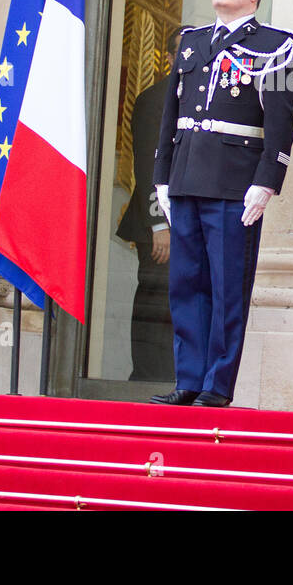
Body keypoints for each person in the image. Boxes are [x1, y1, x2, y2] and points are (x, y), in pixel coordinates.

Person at [150, 0, 293, 407]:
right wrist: (161, 175)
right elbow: (171, 114)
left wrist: (267, 180)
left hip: (236, 184)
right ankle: (188, 380)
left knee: (227, 287)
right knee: (186, 285)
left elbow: (281, 120)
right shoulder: (192, 41)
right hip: (188, 175)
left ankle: (216, 386)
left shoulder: (277, 45)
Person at [116, 27, 187, 382]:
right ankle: (144, 378)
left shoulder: (197, 98)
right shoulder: (155, 98)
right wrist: (160, 224)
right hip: (157, 227)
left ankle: (170, 378)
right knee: (154, 301)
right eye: (183, 53)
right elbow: (147, 165)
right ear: (170, 59)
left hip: (186, 224)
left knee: (176, 304)